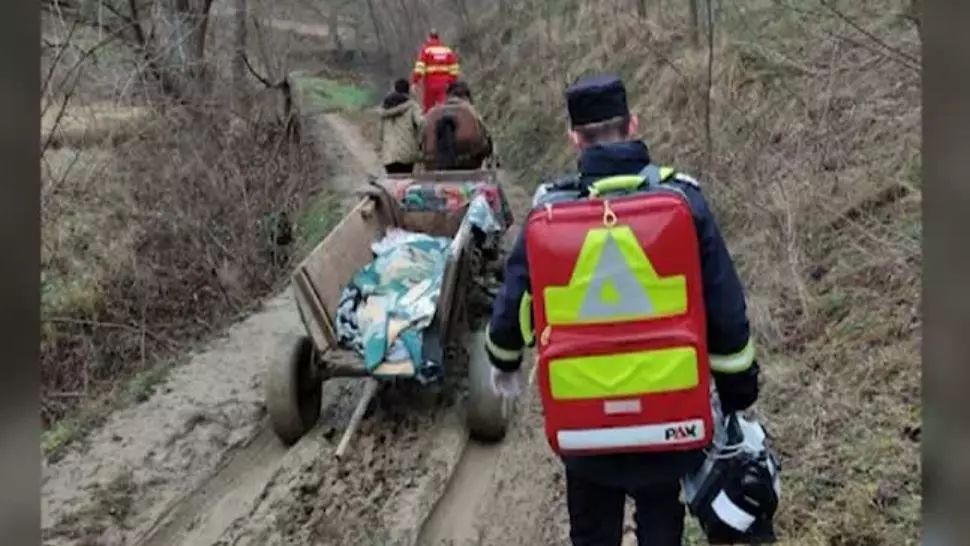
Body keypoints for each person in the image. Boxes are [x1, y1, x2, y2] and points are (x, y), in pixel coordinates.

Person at [483, 74, 761, 545]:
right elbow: (727, 314)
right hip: (669, 415)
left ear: (575, 138)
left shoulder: (548, 213)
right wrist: (737, 394)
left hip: (584, 427)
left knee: (591, 529)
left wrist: (503, 362)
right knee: (661, 518)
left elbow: (511, 310)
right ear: (633, 124)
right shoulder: (684, 202)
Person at [421, 81, 493, 170]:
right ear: (467, 96)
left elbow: (422, 143)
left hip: (436, 164)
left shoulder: (433, 113)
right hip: (468, 164)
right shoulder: (471, 112)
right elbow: (485, 142)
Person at [378, 78, 424, 175]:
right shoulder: (412, 106)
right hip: (407, 153)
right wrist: (419, 142)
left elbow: (380, 132)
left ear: (394, 89)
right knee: (405, 183)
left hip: (389, 155)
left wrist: (382, 147)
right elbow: (422, 123)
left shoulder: (384, 108)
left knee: (393, 182)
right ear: (408, 91)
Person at [411, 29, 460, 112]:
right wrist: (451, 82)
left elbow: (419, 68)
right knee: (445, 108)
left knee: (429, 110)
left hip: (430, 85)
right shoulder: (447, 50)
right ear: (438, 38)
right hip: (445, 85)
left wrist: (414, 82)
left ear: (429, 38)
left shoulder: (426, 50)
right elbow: (454, 69)